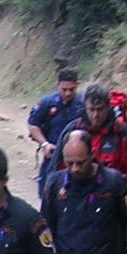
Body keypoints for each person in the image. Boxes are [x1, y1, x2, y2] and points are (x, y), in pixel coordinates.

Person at [51, 83, 127, 190]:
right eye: (92, 109)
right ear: (85, 107)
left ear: (109, 107)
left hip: (111, 197)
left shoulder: (121, 131)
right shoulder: (72, 130)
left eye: (100, 109)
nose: (96, 115)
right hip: (77, 195)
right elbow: (56, 169)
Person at [27, 66, 85, 199]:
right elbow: (33, 124)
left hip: (78, 160)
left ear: (77, 85)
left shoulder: (84, 104)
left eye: (72, 89)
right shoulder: (47, 103)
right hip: (53, 157)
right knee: (48, 194)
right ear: (57, 85)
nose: (68, 93)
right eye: (64, 89)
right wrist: (44, 144)